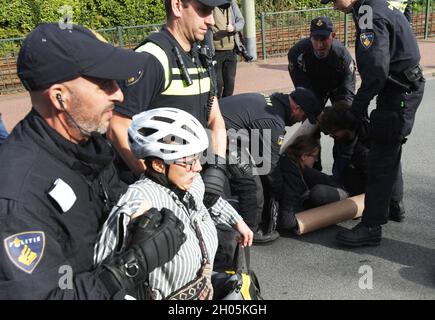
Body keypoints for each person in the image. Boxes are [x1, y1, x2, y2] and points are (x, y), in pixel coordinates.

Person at [0, 23, 186, 299]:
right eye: (104, 83)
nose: (119, 94)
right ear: (59, 98)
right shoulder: (18, 197)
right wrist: (127, 269)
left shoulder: (89, 143)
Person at [95, 108, 252, 300]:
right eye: (189, 161)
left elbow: (207, 200)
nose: (198, 167)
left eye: (197, 158)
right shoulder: (136, 203)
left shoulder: (191, 182)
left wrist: (236, 220)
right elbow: (103, 272)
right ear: (159, 165)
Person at [108, 0, 230, 211]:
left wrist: (217, 168)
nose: (211, 21)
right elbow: (116, 126)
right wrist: (151, 179)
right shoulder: (151, 57)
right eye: (203, 11)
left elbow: (215, 118)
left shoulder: (201, 55)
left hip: (189, 177)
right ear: (176, 6)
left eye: (212, 12)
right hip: (156, 191)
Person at [321, 0, 425, 246]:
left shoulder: (368, 13)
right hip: (403, 88)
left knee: (380, 158)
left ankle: (371, 227)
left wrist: (357, 108)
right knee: (389, 149)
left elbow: (377, 70)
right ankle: (393, 204)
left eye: (334, 0)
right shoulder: (376, 3)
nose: (334, 6)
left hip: (398, 92)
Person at [219, 87, 322, 243]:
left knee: (252, 171)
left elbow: (260, 153)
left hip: (219, 129)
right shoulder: (274, 122)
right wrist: (283, 194)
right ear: (297, 108)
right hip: (214, 134)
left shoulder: (270, 102)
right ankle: (251, 230)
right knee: (252, 185)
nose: (301, 121)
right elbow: (270, 169)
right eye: (303, 116)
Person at [319, 102, 406, 221]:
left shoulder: (367, 150)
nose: (331, 135)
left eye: (333, 131)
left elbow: (377, 184)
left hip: (356, 193)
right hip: (345, 182)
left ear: (346, 126)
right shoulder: (343, 140)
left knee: (318, 193)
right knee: (310, 175)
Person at [278, 135, 348, 231]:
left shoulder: (290, 164)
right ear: (303, 156)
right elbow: (287, 221)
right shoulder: (293, 175)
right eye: (314, 156)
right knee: (318, 193)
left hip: (340, 189)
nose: (316, 160)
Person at [288, 16, 355, 107]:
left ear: (333, 36)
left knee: (346, 112)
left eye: (323, 39)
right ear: (310, 37)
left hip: (337, 86)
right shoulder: (296, 53)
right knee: (308, 108)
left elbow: (348, 91)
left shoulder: (343, 56)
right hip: (313, 85)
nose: (320, 45)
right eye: (315, 39)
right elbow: (301, 86)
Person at [211, 0, 245, 98]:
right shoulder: (211, 4)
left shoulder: (232, 3)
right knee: (218, 83)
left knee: (230, 82)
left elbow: (241, 21)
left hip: (231, 50)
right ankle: (217, 106)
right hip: (216, 52)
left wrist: (234, 27)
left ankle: (226, 105)